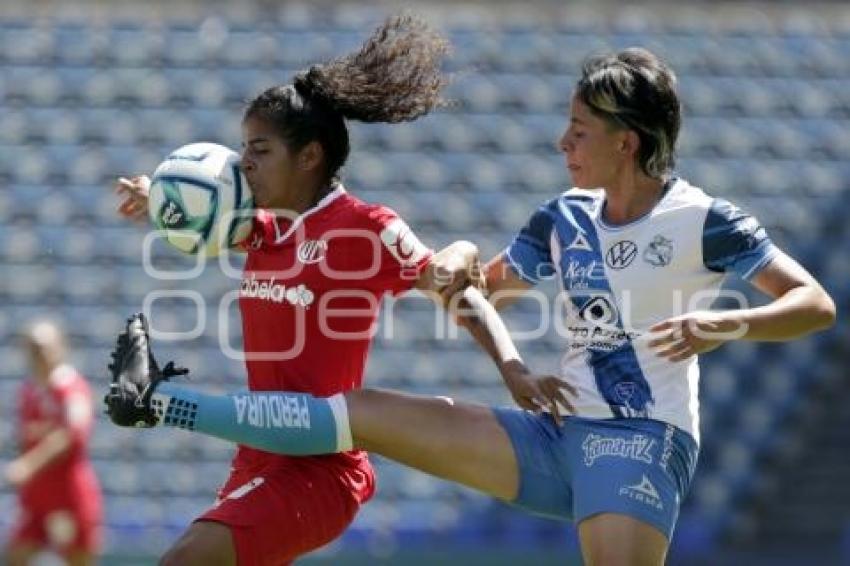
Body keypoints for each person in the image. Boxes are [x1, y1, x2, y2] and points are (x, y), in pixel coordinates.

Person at [108, 46, 838, 565]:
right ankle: (160, 403)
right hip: (552, 435)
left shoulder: (703, 218)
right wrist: (464, 269)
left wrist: (728, 321)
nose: (561, 144)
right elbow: (468, 286)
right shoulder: (564, 216)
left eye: (578, 132)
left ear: (627, 140)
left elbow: (814, 304)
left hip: (640, 438)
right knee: (360, 408)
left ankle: (161, 402)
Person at [108, 14, 570, 566]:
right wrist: (161, 199)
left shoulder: (365, 226)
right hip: (259, 451)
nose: (242, 163)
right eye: (242, 148)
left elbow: (456, 293)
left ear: (309, 156)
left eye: (259, 149)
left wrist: (512, 366)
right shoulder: (267, 224)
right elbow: (211, 218)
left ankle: (160, 403)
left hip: (320, 465)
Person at [5, 320, 102, 566]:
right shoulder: (28, 390)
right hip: (36, 496)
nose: (41, 354)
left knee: (78, 561)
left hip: (69, 493)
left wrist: (29, 465)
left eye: (46, 347)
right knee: (15, 555)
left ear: (61, 348)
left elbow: (73, 434)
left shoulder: (72, 388)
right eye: (35, 348)